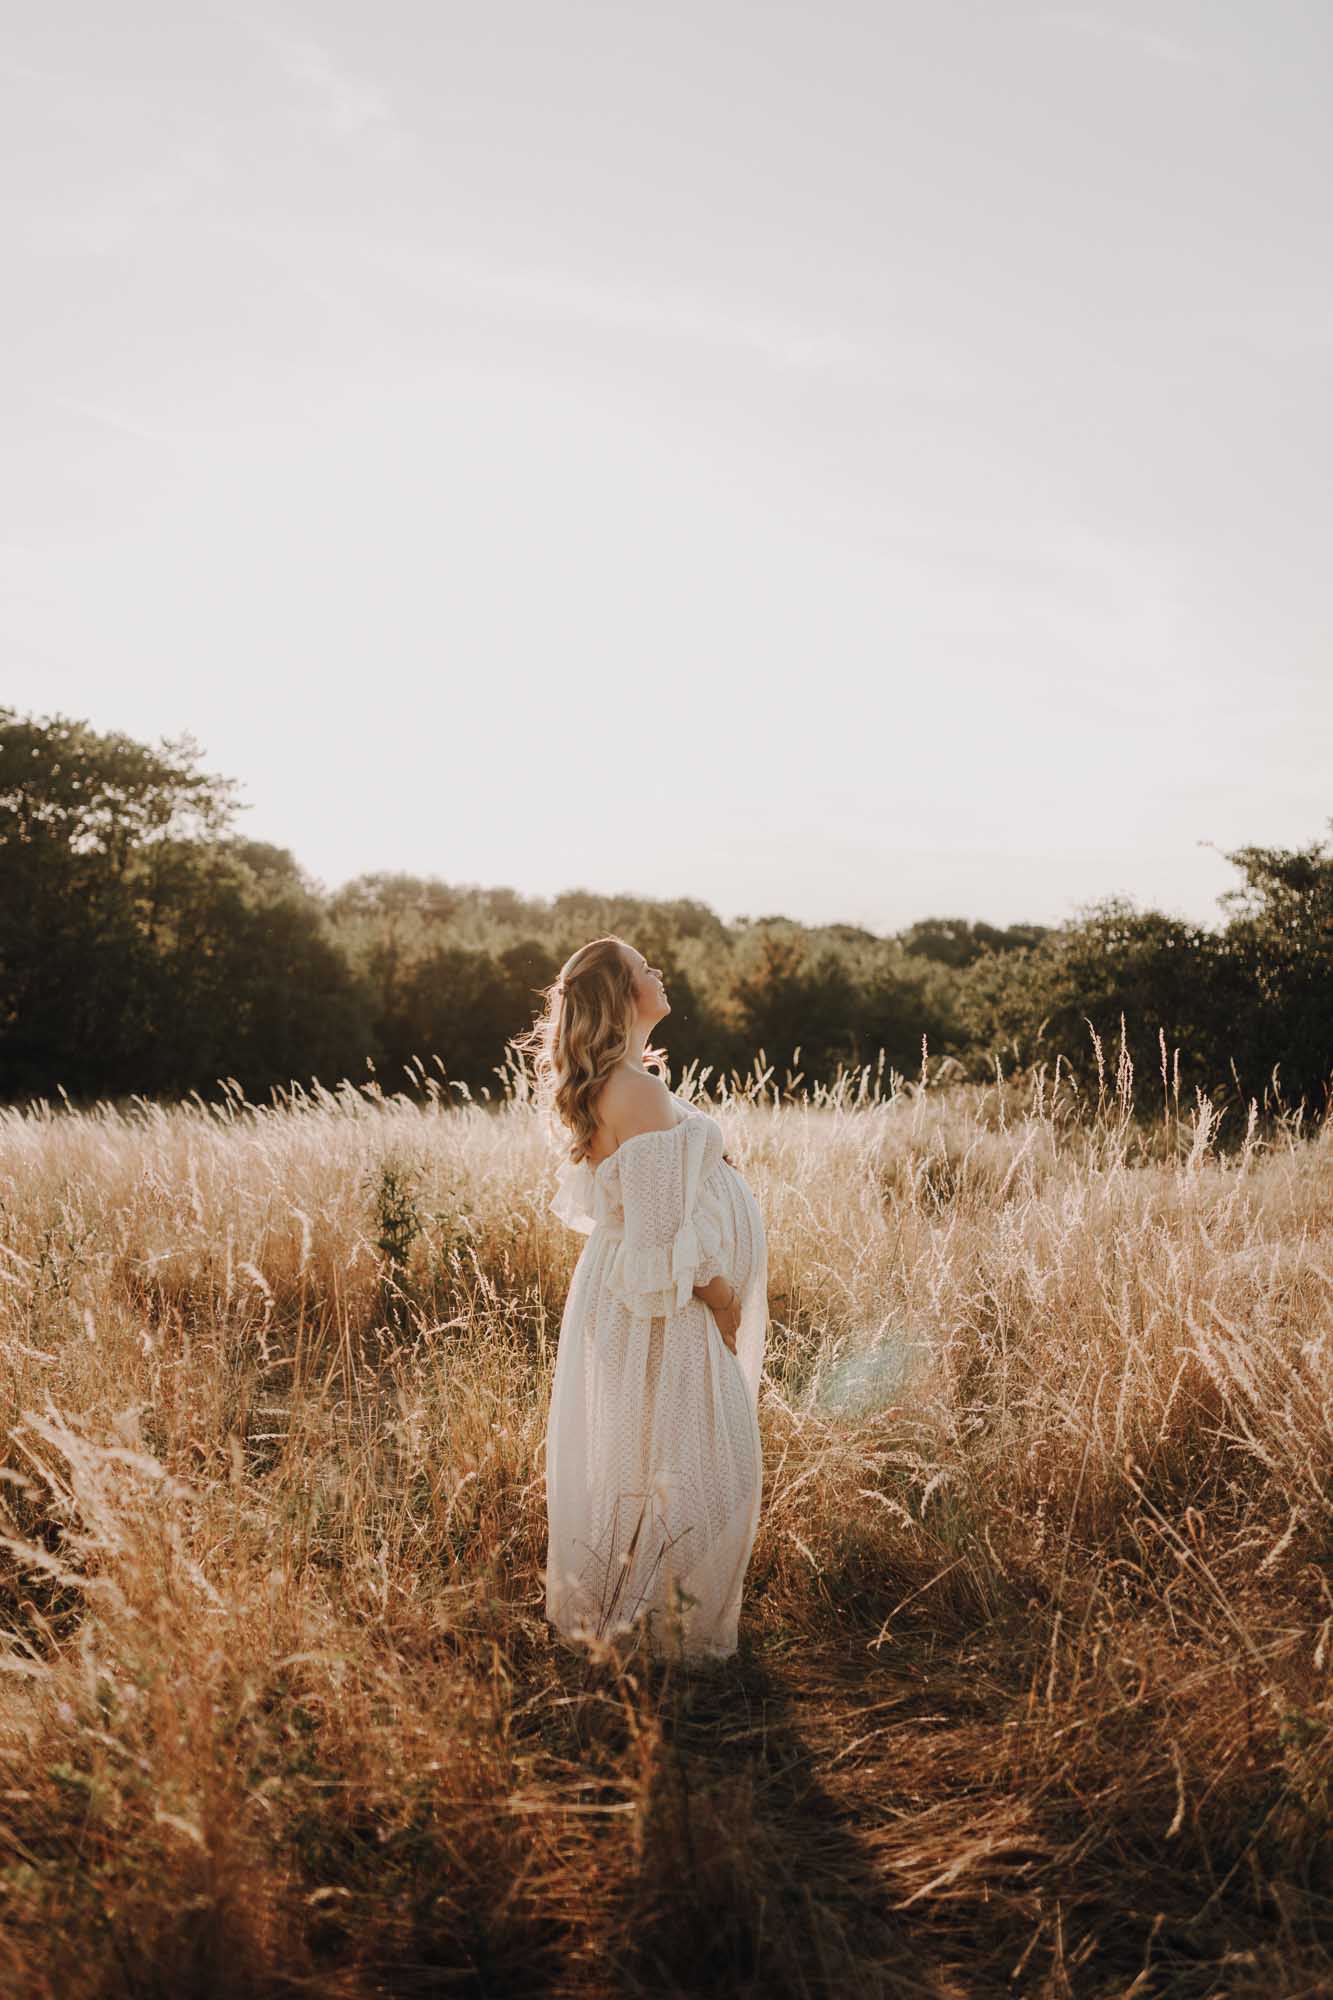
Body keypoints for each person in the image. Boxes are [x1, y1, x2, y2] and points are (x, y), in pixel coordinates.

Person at [519, 935, 768, 1662]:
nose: (659, 973)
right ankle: (660, 1637)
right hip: (664, 1307)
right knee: (702, 1465)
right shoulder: (634, 1090)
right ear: (623, 996)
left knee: (646, 1458)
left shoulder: (630, 1082)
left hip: (641, 1297)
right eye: (644, 968)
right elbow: (661, 1236)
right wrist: (723, 1299)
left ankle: (639, 1622)